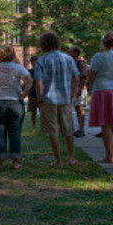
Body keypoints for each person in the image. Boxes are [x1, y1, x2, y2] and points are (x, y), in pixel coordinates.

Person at [34, 31, 80, 166]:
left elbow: (38, 82)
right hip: (65, 99)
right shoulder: (68, 59)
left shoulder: (41, 61)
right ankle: (71, 158)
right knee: (68, 130)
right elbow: (76, 78)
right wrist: (72, 96)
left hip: (48, 100)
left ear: (44, 45)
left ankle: (58, 160)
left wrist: (39, 98)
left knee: (53, 131)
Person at [87, 32, 113, 164]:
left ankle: (109, 156)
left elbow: (92, 75)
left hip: (102, 90)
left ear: (103, 43)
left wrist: (90, 87)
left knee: (105, 124)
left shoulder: (98, 57)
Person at [70, 47, 89, 138]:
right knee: (77, 109)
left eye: (70, 51)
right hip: (74, 89)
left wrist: (79, 89)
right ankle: (78, 129)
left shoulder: (80, 63)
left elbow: (84, 77)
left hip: (79, 89)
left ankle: (81, 129)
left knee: (79, 109)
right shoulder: (73, 63)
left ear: (75, 52)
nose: (69, 52)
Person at [27, 55, 39, 132]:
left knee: (43, 112)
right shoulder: (29, 72)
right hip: (32, 94)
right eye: (33, 61)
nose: (34, 62)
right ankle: (33, 128)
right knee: (33, 112)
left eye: (36, 60)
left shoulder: (42, 71)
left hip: (41, 94)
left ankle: (44, 127)